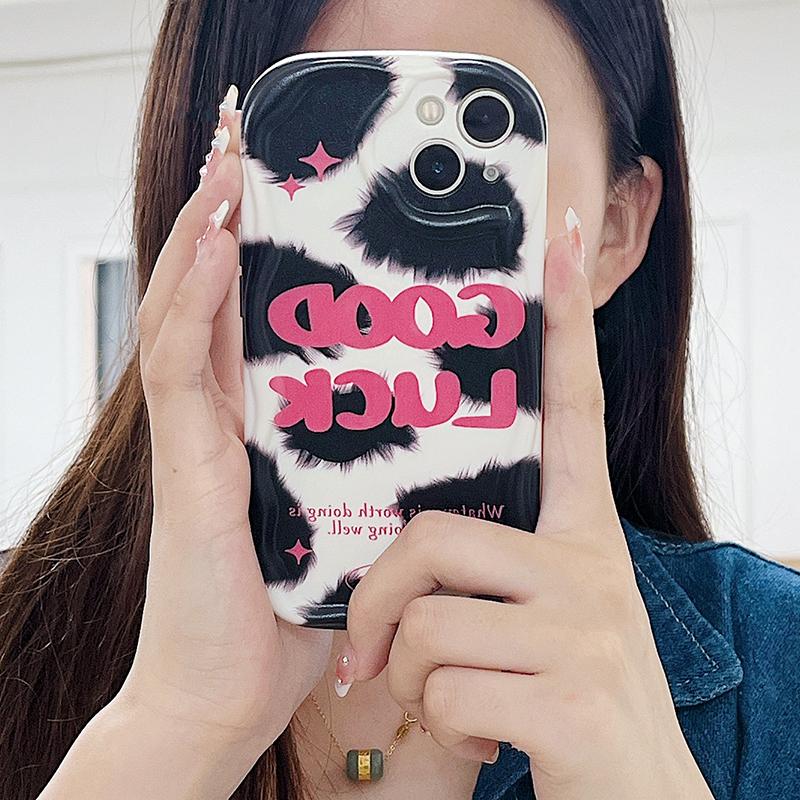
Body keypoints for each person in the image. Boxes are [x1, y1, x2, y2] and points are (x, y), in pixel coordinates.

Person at [1, 1, 798, 798]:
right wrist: (173, 726)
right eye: (321, 154)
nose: (382, 280)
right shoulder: (20, 653)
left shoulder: (778, 667)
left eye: (478, 143)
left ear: (617, 227)